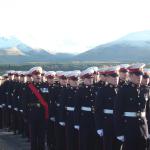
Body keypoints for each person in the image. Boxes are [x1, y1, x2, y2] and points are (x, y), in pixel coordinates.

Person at [114, 63, 150, 150]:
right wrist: (120, 132)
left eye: (141, 75)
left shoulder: (145, 90)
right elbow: (117, 112)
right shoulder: (123, 90)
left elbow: (148, 111)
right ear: (130, 75)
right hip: (129, 128)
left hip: (143, 127)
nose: (140, 77)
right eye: (137, 75)